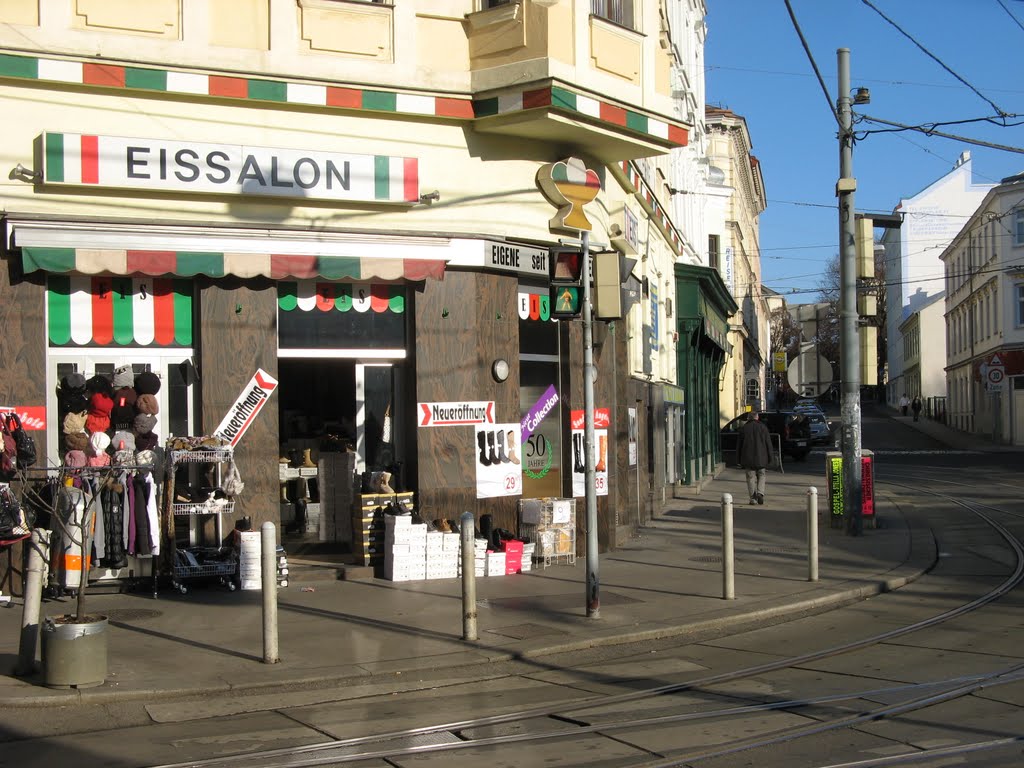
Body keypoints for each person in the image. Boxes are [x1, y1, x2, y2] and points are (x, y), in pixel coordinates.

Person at [735, 411, 773, 505]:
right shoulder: (763, 428)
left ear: (748, 418)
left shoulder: (744, 429)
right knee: (762, 475)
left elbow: (739, 446)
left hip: (748, 459)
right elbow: (768, 444)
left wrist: (738, 459)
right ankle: (760, 493)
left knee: (750, 477)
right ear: (757, 418)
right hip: (761, 458)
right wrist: (770, 457)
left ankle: (753, 498)